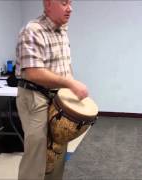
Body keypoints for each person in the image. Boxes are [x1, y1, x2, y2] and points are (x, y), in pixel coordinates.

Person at [15, 0, 88, 179]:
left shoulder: (62, 30)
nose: (70, 8)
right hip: (35, 96)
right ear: (48, 4)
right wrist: (71, 84)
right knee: (38, 153)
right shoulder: (33, 30)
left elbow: (62, 67)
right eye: (64, 3)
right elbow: (33, 72)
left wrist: (70, 88)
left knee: (57, 148)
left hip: (57, 97)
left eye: (70, 3)